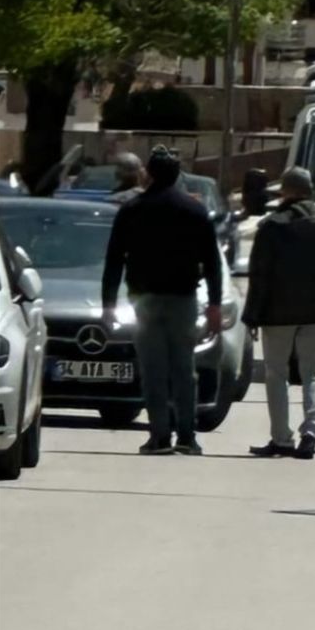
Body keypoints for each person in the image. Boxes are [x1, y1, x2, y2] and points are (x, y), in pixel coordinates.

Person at [102, 146, 223, 456]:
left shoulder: (132, 210)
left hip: (145, 300)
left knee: (153, 370)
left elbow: (114, 260)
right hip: (183, 300)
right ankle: (187, 435)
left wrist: (108, 305)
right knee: (184, 369)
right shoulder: (195, 211)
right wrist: (214, 305)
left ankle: (159, 436)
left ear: (149, 173)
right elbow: (212, 262)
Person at [245, 167, 315, 460]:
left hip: (278, 313)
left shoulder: (272, 226)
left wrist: (252, 315)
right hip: (314, 310)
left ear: (284, 191)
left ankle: (281, 439)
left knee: (277, 375)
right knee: (313, 372)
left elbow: (259, 275)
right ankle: (311, 433)